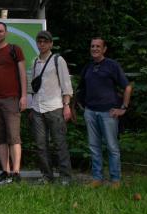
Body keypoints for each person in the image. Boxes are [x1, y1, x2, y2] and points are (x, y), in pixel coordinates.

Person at [78, 37, 133, 188]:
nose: (94, 48)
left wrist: (124, 108)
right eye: (92, 46)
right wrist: (82, 106)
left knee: (112, 147)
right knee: (94, 147)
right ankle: (97, 178)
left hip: (108, 114)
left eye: (98, 46)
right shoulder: (88, 67)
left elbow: (127, 87)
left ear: (104, 49)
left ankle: (115, 180)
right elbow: (81, 88)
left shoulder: (112, 65)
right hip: (90, 112)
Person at [0, 22, 28, 184]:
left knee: (13, 136)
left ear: (6, 33)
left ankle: (16, 173)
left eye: (0, 31)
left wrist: (23, 96)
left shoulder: (15, 50)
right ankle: (5, 171)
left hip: (11, 98)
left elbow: (23, 74)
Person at [30, 31, 74, 184]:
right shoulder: (35, 61)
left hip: (55, 107)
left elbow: (66, 84)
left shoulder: (58, 60)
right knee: (41, 145)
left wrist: (66, 105)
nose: (42, 44)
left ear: (51, 44)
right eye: (39, 41)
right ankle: (47, 176)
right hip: (37, 108)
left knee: (59, 143)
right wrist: (32, 105)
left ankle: (65, 177)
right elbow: (34, 87)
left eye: (45, 41)